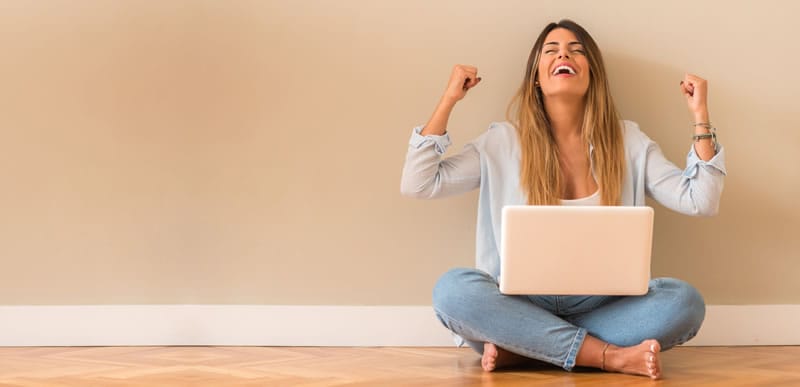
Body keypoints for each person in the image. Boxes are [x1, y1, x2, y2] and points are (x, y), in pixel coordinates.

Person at [399, 19, 726, 379]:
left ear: (592, 74)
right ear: (536, 77)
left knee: (685, 302)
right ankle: (607, 356)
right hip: (516, 303)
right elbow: (419, 183)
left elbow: (700, 200)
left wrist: (700, 116)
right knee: (453, 291)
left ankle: (525, 347)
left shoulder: (629, 141)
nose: (563, 55)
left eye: (576, 50)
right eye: (551, 51)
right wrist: (449, 99)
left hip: (603, 307)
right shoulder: (501, 142)